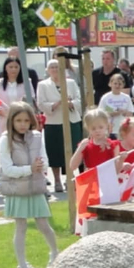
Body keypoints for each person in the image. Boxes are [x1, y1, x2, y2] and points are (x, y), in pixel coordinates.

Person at [0, 102, 59, 268]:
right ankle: (22, 266)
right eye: (18, 120)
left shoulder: (37, 136)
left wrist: (40, 166)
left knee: (43, 223)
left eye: (26, 120)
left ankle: (55, 254)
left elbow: (45, 159)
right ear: (12, 121)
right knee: (21, 226)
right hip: (17, 189)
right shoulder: (6, 140)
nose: (22, 124)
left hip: (36, 186)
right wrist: (29, 169)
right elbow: (8, 169)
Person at [36, 58, 83, 193]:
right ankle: (57, 180)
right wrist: (56, 103)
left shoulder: (71, 83)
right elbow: (41, 103)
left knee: (72, 150)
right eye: (52, 67)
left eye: (57, 67)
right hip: (53, 122)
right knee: (55, 152)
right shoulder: (43, 85)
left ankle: (70, 177)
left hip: (71, 120)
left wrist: (70, 103)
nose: (55, 70)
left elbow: (79, 100)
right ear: (48, 70)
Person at [69, 109, 120, 177]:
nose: (97, 131)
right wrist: (80, 148)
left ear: (106, 126)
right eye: (93, 128)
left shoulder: (113, 145)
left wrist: (121, 160)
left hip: (108, 180)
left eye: (101, 127)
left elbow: (117, 170)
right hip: (91, 181)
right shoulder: (86, 145)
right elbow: (72, 166)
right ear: (88, 128)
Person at [0, 57, 35, 131]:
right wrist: (8, 115)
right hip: (4, 119)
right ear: (6, 68)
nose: (14, 69)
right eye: (11, 67)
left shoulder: (26, 82)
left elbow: (31, 98)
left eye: (16, 67)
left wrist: (18, 116)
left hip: (22, 120)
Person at [98, 71, 134, 136]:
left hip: (123, 130)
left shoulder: (126, 97)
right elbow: (100, 113)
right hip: (109, 130)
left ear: (123, 85)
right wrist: (111, 113)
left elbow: (131, 113)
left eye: (120, 84)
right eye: (115, 83)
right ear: (110, 84)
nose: (117, 86)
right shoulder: (105, 97)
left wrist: (124, 112)